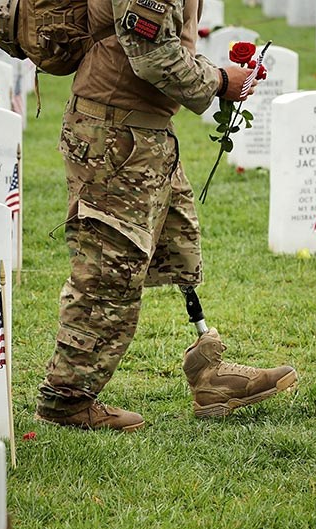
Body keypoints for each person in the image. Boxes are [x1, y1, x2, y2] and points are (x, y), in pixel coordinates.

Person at [35, 0, 298, 431]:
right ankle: (67, 399)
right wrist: (218, 81)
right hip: (115, 134)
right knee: (110, 268)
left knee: (178, 248)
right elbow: (151, 53)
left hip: (142, 129)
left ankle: (208, 372)